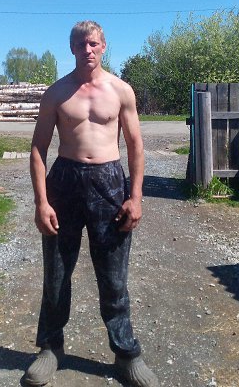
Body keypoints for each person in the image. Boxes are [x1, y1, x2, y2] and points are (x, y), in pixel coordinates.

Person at [25, 20, 159, 387]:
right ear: (72, 48)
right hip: (64, 183)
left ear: (103, 47)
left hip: (108, 183)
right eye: (81, 44)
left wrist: (135, 197)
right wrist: (41, 202)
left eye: (94, 44)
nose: (88, 49)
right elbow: (38, 149)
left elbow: (136, 145)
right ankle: (51, 348)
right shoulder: (56, 93)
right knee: (56, 274)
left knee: (114, 278)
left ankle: (126, 355)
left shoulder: (120, 90)